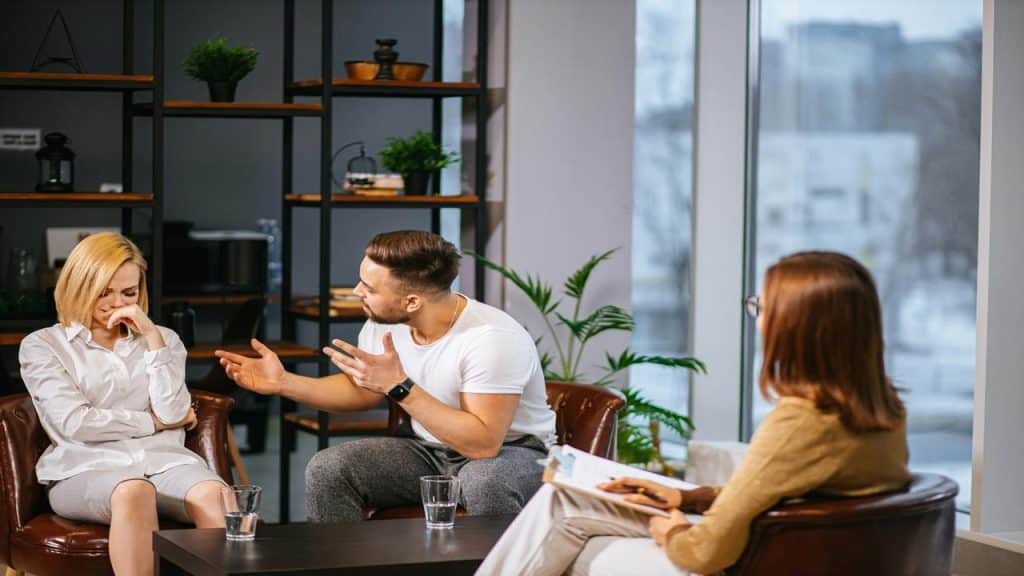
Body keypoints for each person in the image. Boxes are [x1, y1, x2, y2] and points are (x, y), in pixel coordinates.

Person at [476, 251, 912, 576]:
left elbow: (706, 552)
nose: (757, 318)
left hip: (744, 560)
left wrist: (675, 531)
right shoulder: (881, 409)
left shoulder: (800, 421)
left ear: (797, 326)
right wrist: (690, 498)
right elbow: (793, 496)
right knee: (565, 509)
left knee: (565, 518)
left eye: (763, 306)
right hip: (788, 549)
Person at [216, 230, 557, 522]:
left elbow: (482, 444)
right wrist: (284, 383)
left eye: (369, 287)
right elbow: (362, 391)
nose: (356, 291)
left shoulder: (491, 339)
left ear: (411, 301)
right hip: (429, 448)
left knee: (484, 481)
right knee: (329, 469)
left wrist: (401, 387)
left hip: (514, 453)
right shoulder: (386, 324)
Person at [19, 232, 226, 576]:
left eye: (128, 293)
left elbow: (174, 412)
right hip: (85, 470)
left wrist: (153, 339)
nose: (118, 304)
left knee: (216, 495)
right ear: (78, 286)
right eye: (104, 292)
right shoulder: (42, 346)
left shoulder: (164, 340)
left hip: (165, 465)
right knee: (134, 491)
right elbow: (76, 423)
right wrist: (154, 423)